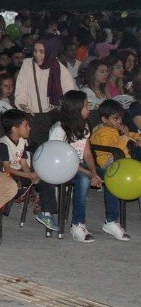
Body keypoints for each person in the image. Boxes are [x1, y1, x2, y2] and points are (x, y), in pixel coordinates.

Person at [48, 90, 104, 242]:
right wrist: (88, 174)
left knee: (109, 174)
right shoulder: (59, 130)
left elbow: (87, 154)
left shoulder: (84, 126)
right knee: (84, 180)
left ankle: (112, 221)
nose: (89, 109)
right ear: (76, 109)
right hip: (59, 167)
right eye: (86, 105)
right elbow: (61, 160)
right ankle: (77, 224)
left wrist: (93, 172)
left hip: (78, 166)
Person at [0, 109, 59, 232]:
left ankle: (46, 214)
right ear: (14, 128)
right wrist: (29, 176)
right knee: (13, 184)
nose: (29, 128)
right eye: (26, 125)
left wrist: (31, 175)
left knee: (46, 180)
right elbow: (6, 168)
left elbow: (23, 162)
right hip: (1, 174)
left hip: (17, 172)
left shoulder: (22, 141)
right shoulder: (3, 144)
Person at [88, 99, 139, 241]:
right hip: (108, 162)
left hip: (123, 161)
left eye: (120, 118)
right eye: (115, 119)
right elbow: (113, 148)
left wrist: (134, 136)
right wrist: (124, 137)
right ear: (105, 119)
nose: (118, 122)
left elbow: (129, 137)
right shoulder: (102, 132)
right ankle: (111, 221)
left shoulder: (115, 130)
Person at [15, 37, 76, 113]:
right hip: (33, 114)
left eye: (41, 51)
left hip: (55, 115)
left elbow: (70, 94)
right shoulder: (28, 64)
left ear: (50, 51)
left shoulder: (60, 69)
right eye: (35, 51)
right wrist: (24, 107)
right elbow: (21, 90)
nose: (37, 55)